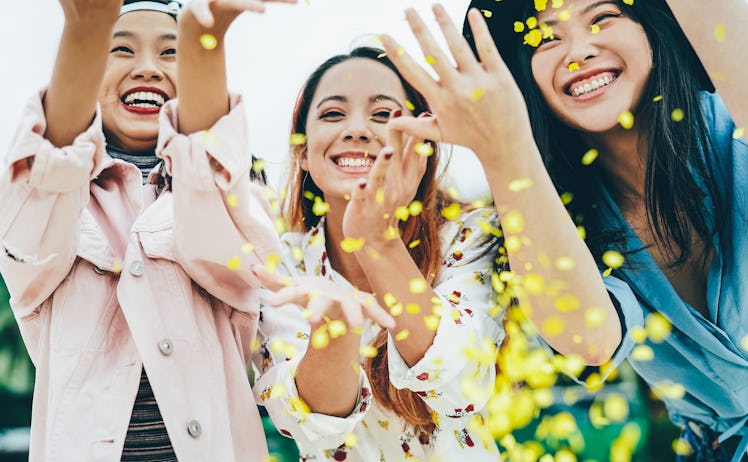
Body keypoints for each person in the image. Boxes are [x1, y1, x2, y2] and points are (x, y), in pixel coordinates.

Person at [387, 1, 748, 460]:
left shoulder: (734, 118)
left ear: (651, 29)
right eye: (544, 38)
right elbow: (589, 341)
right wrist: (503, 148)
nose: (578, 50)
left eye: (602, 18)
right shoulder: (545, 219)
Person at [0, 0, 292, 459]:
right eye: (119, 49)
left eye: (172, 52)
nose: (148, 68)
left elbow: (211, 203)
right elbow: (44, 181)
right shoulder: (52, 204)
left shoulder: (240, 201)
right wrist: (85, 30)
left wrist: (207, 39)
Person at [250, 46, 505, 461]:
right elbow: (307, 426)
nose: (356, 129)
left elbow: (463, 388)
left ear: (421, 143)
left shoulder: (470, 237)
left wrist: (376, 240)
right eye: (333, 114)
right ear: (302, 151)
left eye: (383, 115)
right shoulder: (283, 262)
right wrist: (335, 327)